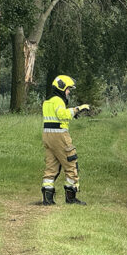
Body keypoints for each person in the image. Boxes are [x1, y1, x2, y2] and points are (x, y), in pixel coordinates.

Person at [40, 75, 90, 206]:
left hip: (47, 136)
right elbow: (62, 115)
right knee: (71, 164)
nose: (68, 92)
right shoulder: (58, 100)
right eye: (68, 89)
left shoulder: (47, 102)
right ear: (62, 87)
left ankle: (48, 199)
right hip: (60, 136)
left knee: (51, 167)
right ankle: (71, 198)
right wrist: (77, 109)